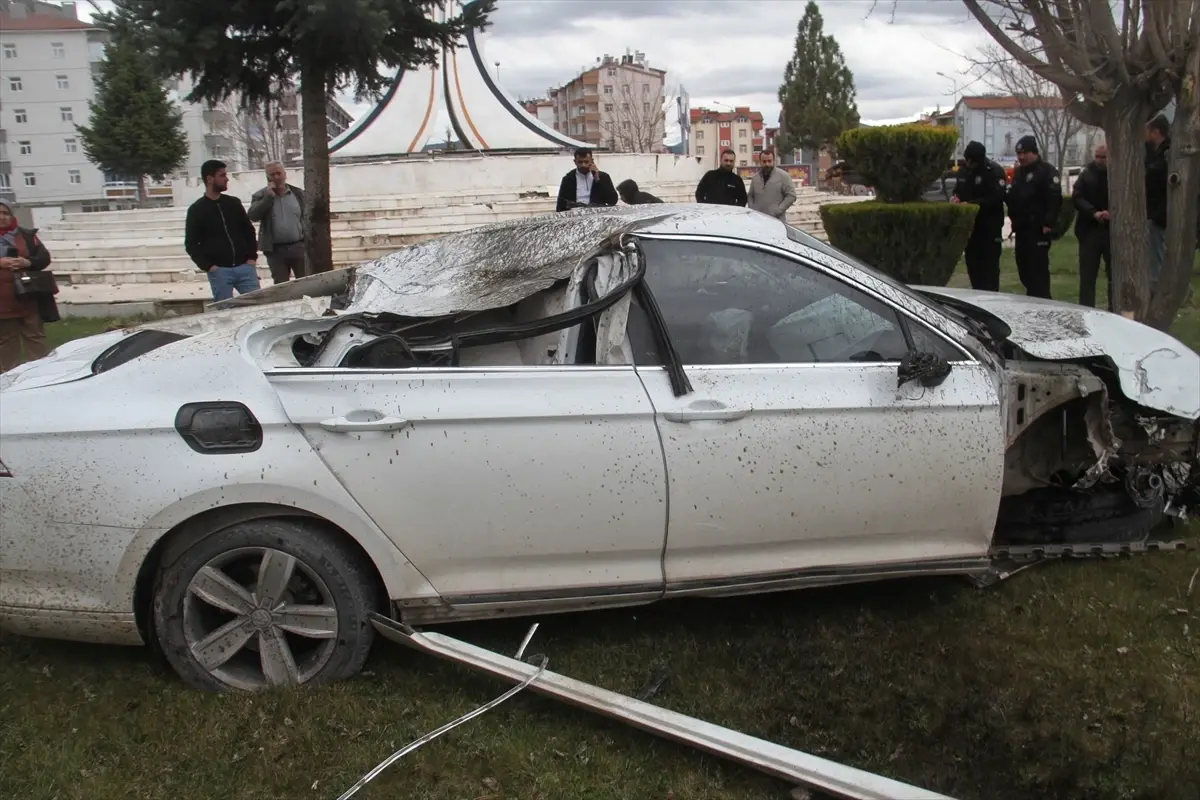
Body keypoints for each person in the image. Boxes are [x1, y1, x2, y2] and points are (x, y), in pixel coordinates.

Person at [185, 159, 261, 302]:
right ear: (210, 179)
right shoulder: (197, 210)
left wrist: (251, 258)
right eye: (222, 175)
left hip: (245, 267)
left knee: (257, 306)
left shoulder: (233, 203)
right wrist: (209, 266)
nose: (227, 179)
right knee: (225, 313)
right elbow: (191, 244)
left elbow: (249, 231)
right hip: (219, 272)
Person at [0, 200, 56, 372]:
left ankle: (40, 376)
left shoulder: (27, 235)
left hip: (29, 296)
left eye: (5, 213)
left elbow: (44, 258)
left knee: (35, 337)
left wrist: (27, 262)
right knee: (6, 341)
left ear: (11, 215)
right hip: (3, 301)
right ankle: (10, 380)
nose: (2, 217)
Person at [1005, 135, 1062, 299]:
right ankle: (1032, 299)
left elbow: (1054, 199)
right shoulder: (1018, 172)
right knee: (1024, 270)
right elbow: (1013, 197)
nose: (1021, 157)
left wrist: (1048, 222)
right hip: (1022, 229)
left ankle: (1043, 304)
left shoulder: (1047, 171)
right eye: (1018, 154)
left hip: (1038, 230)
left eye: (1025, 153)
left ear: (1034, 152)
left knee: (1038, 272)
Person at [951, 140, 1008, 291]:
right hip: (970, 230)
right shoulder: (964, 171)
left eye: (972, 161)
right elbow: (958, 190)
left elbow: (997, 197)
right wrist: (956, 197)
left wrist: (971, 205)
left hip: (989, 229)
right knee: (973, 269)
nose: (969, 164)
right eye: (967, 160)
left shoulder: (993, 172)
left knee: (989, 272)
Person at [248, 161, 308, 283]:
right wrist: (268, 198)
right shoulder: (260, 195)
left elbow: (307, 216)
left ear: (284, 174)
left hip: (299, 246)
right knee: (281, 286)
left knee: (305, 283)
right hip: (275, 250)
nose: (276, 177)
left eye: (278, 173)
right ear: (267, 177)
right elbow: (253, 216)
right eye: (272, 175)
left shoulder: (298, 193)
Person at [1072, 144, 1112, 309]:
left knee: (1114, 275)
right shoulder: (1087, 173)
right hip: (1089, 229)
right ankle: (1086, 309)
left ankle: (1114, 308)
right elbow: (1077, 197)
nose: (1099, 160)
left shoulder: (1117, 173)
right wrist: (1093, 212)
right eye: (1097, 156)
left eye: (1103, 157)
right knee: (1087, 276)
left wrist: (1112, 212)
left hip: (1112, 231)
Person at [1145, 114, 1170, 286]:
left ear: (1156, 132)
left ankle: (1157, 286)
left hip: (1160, 214)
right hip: (1154, 211)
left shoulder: (1168, 153)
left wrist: (1157, 215)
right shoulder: (1152, 152)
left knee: (1157, 253)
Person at [747, 149, 796, 222]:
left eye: (769, 161)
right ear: (760, 162)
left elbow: (791, 195)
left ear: (774, 161)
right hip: (758, 221)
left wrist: (778, 210)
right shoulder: (755, 178)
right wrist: (752, 209)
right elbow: (750, 195)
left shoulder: (784, 176)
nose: (767, 164)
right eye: (764, 161)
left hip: (777, 221)